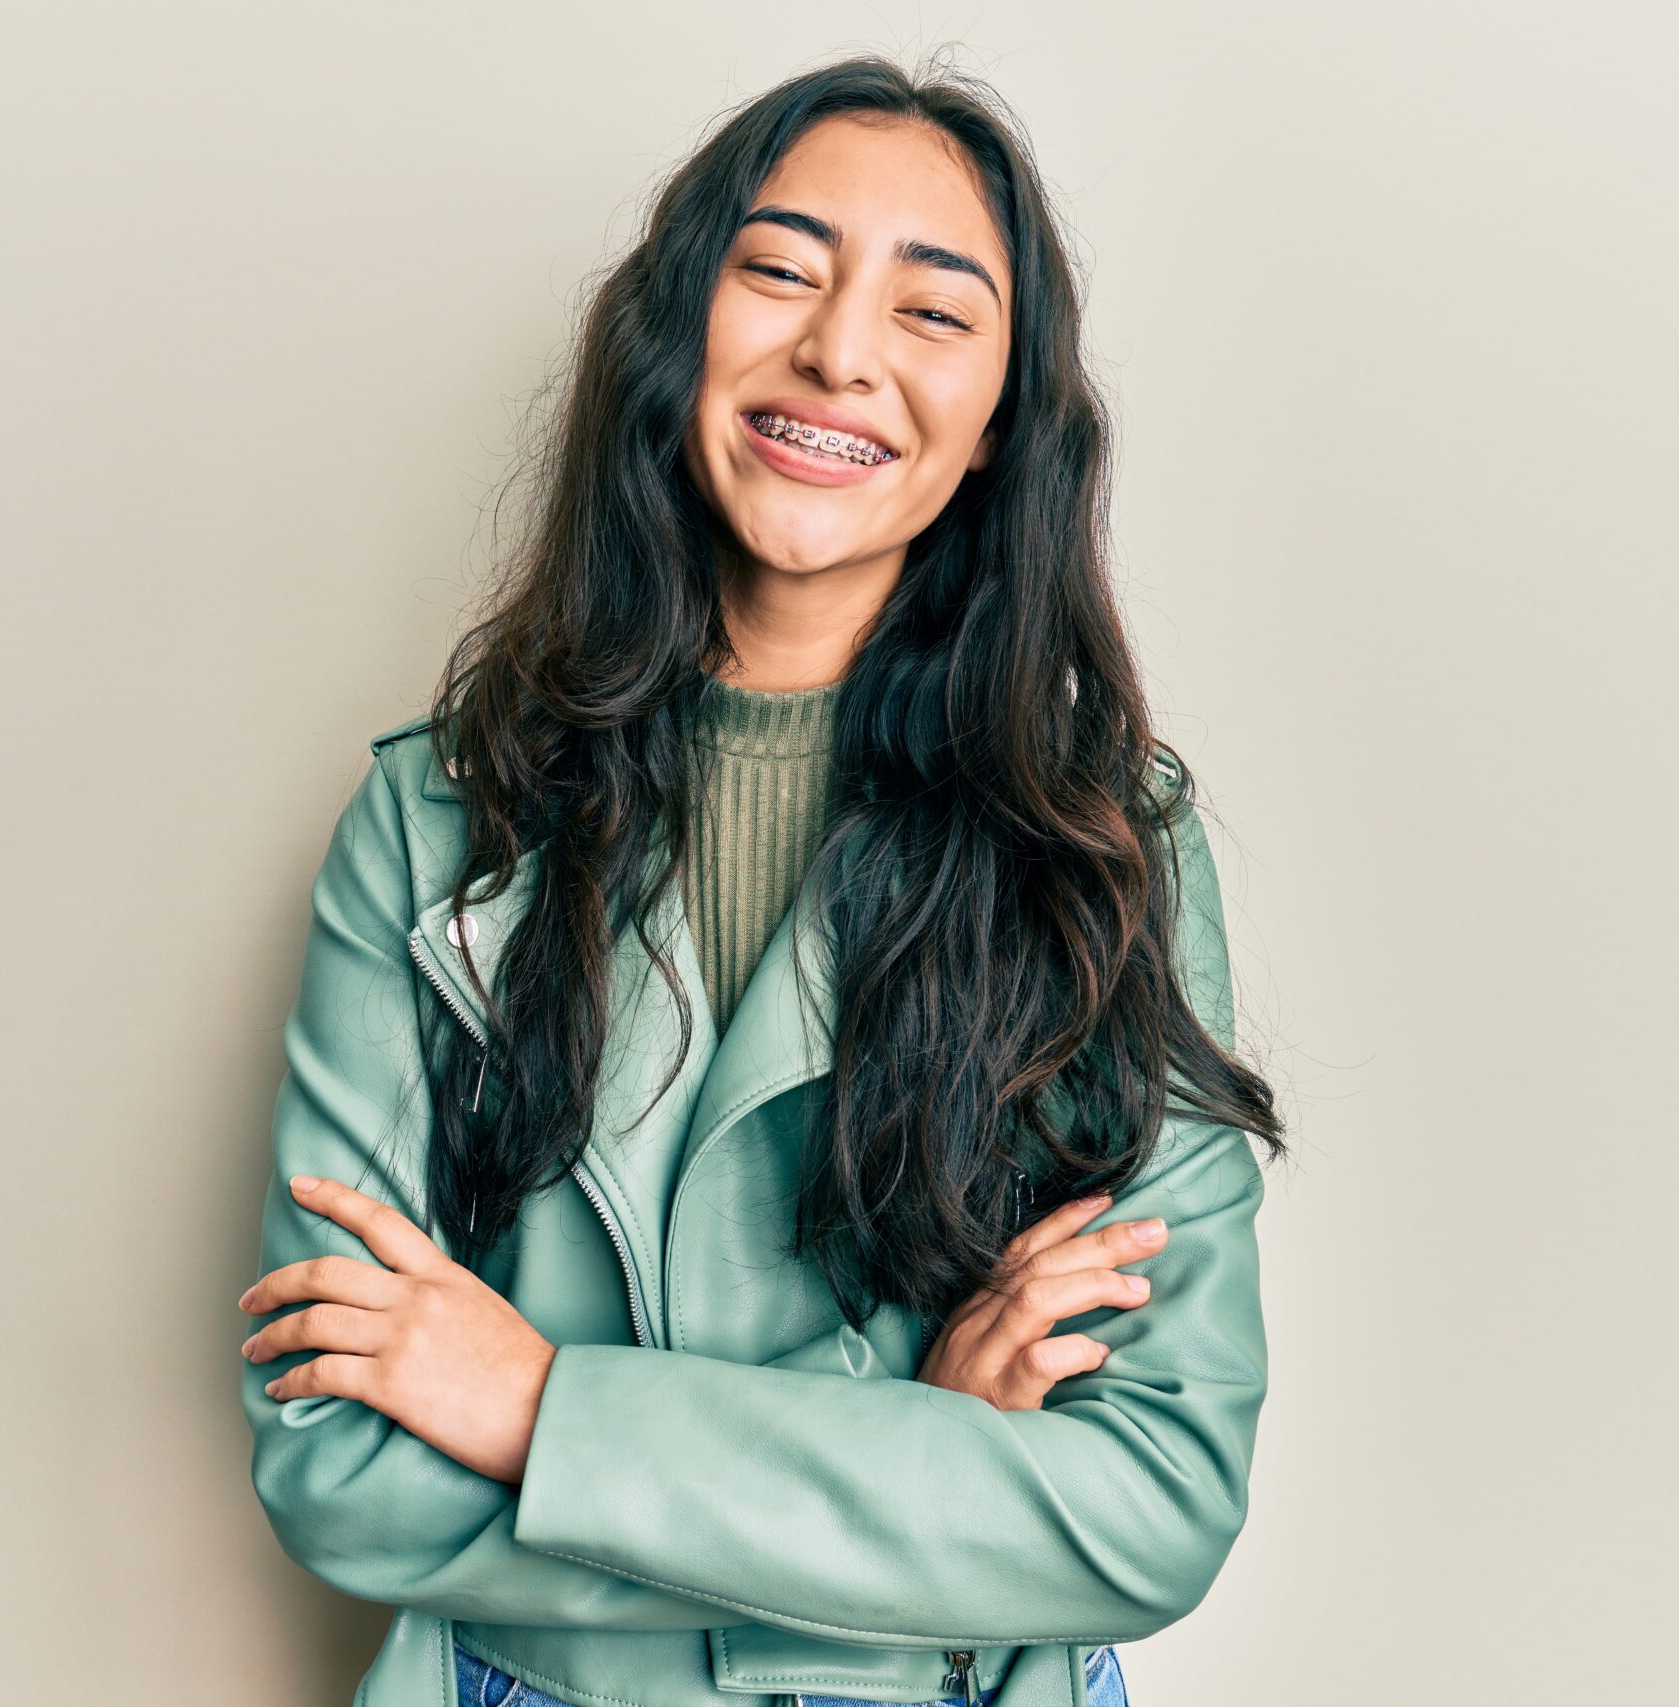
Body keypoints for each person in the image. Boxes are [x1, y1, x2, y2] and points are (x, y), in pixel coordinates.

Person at [236, 51, 1287, 1707]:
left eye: (934, 314)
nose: (842, 351)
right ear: (676, 336)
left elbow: (1153, 1505)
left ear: (1005, 422)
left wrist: (536, 1412)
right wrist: (927, 1467)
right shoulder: (438, 819)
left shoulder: (1106, 850)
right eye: (782, 271)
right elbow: (337, 1471)